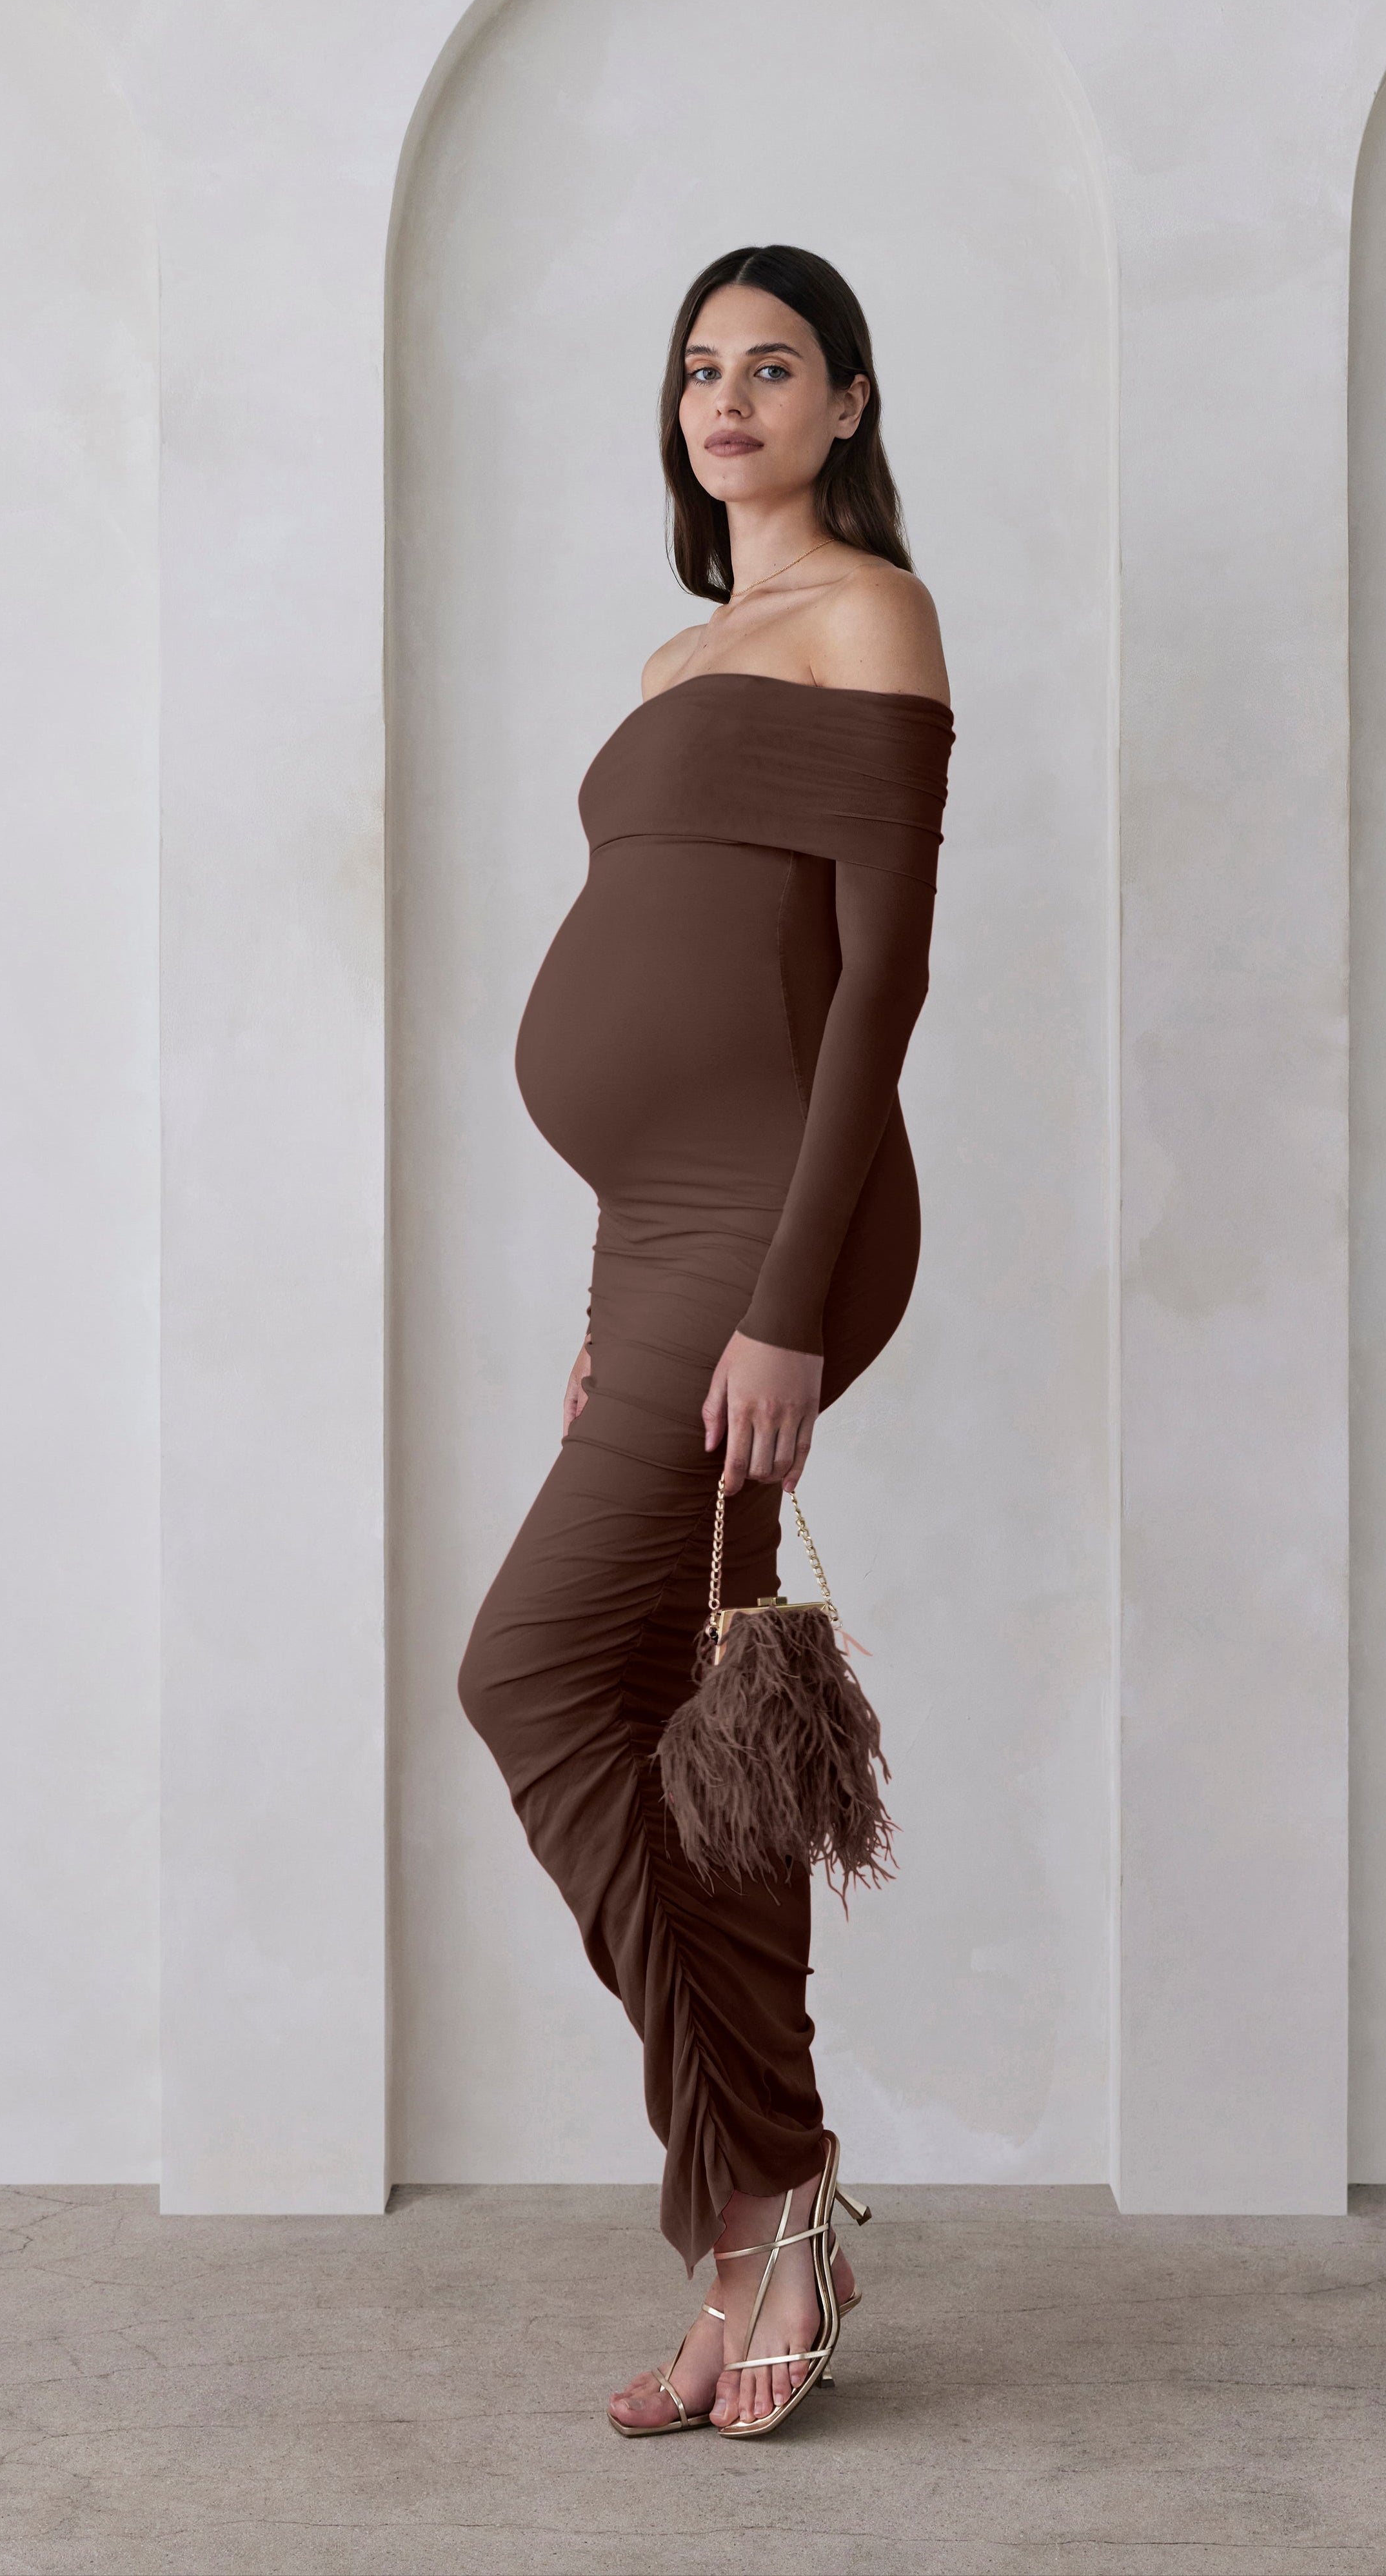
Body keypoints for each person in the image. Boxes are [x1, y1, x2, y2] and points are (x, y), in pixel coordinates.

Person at [458, 243, 953, 2437]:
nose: (726, 398)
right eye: (697, 369)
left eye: (771, 367)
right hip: (653, 1246)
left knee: (532, 1673)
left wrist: (773, 1315)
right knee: (692, 1732)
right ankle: (763, 2227)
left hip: (765, 1235)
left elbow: (869, 997)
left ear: (846, 404)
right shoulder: (681, 654)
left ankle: (762, 2206)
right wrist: (613, 1321)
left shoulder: (866, 614)